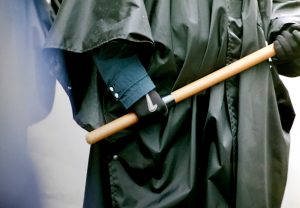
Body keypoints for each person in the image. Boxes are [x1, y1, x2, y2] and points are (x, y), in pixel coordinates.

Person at [45, 0, 300, 207]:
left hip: (246, 110)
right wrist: (129, 83)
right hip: (162, 113)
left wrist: (288, 24)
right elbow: (94, 10)